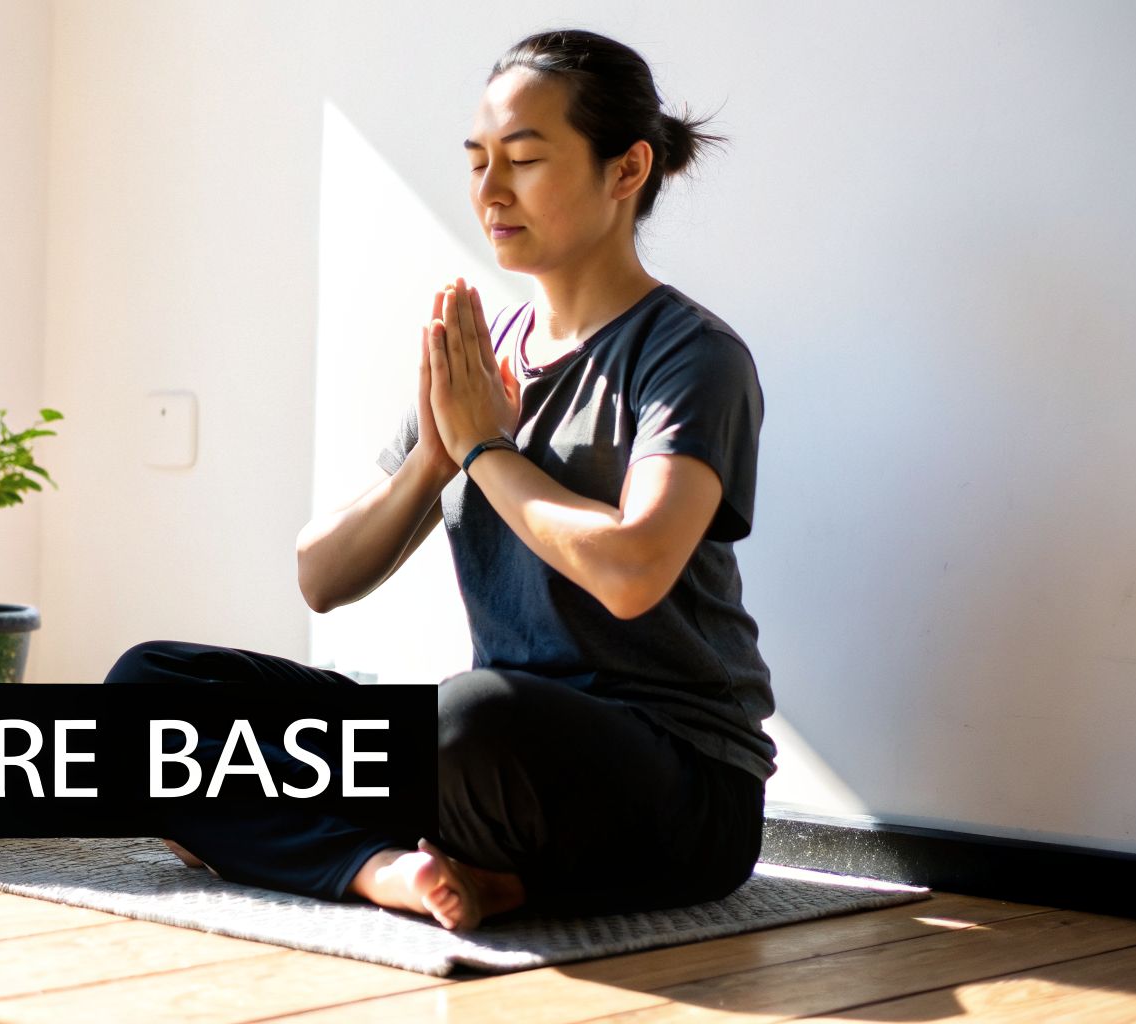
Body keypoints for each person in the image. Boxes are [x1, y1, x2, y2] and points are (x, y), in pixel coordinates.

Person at [103, 28, 777, 931]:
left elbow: (632, 570)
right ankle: (383, 869)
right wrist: (437, 452)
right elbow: (321, 576)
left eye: (526, 160)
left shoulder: (691, 357)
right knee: (149, 691)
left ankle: (261, 833)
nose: (490, 192)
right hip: (483, 769)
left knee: (468, 720)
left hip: (677, 781)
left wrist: (487, 452)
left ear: (626, 172)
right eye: (478, 161)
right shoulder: (479, 360)